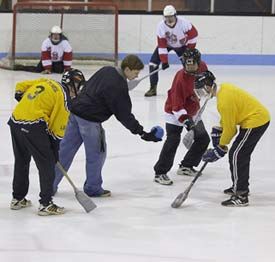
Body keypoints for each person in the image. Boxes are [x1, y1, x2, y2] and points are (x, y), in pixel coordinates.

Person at [53, 55, 162, 197]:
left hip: (75, 113)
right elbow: (124, 115)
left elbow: (88, 87)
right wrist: (142, 132)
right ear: (127, 69)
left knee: (64, 152)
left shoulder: (107, 70)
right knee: (97, 154)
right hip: (90, 121)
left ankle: (49, 185)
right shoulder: (119, 86)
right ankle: (93, 188)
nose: (136, 76)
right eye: (135, 73)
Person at [8, 69, 85, 216]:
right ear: (73, 85)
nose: (79, 91)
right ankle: (46, 204)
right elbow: (56, 132)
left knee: (22, 161)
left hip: (16, 120)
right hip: (33, 124)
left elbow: (20, 86)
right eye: (79, 86)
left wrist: (26, 104)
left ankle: (18, 199)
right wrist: (54, 154)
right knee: (47, 164)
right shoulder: (64, 99)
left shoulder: (47, 81)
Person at [194, 70, 270, 206]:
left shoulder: (223, 101)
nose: (201, 94)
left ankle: (241, 195)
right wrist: (219, 128)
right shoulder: (223, 90)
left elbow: (231, 129)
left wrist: (220, 146)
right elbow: (229, 118)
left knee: (237, 154)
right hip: (253, 119)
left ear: (207, 85)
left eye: (200, 90)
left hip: (255, 121)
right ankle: (238, 186)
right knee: (237, 154)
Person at [153, 48, 210, 185]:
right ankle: (160, 172)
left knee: (203, 138)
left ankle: (187, 165)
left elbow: (207, 83)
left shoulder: (203, 67)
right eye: (187, 64)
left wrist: (209, 89)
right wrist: (187, 122)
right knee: (173, 140)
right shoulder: (180, 79)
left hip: (193, 110)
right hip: (174, 113)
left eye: (193, 64)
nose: (190, 68)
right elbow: (176, 107)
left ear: (198, 62)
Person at [144, 5, 198, 97]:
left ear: (175, 15)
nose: (169, 19)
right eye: (166, 17)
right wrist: (164, 61)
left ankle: (192, 88)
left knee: (189, 65)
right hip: (167, 45)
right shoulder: (161, 26)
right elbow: (161, 45)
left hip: (182, 46)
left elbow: (194, 35)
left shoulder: (184, 23)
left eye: (171, 17)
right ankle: (153, 88)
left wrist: (189, 50)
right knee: (153, 63)